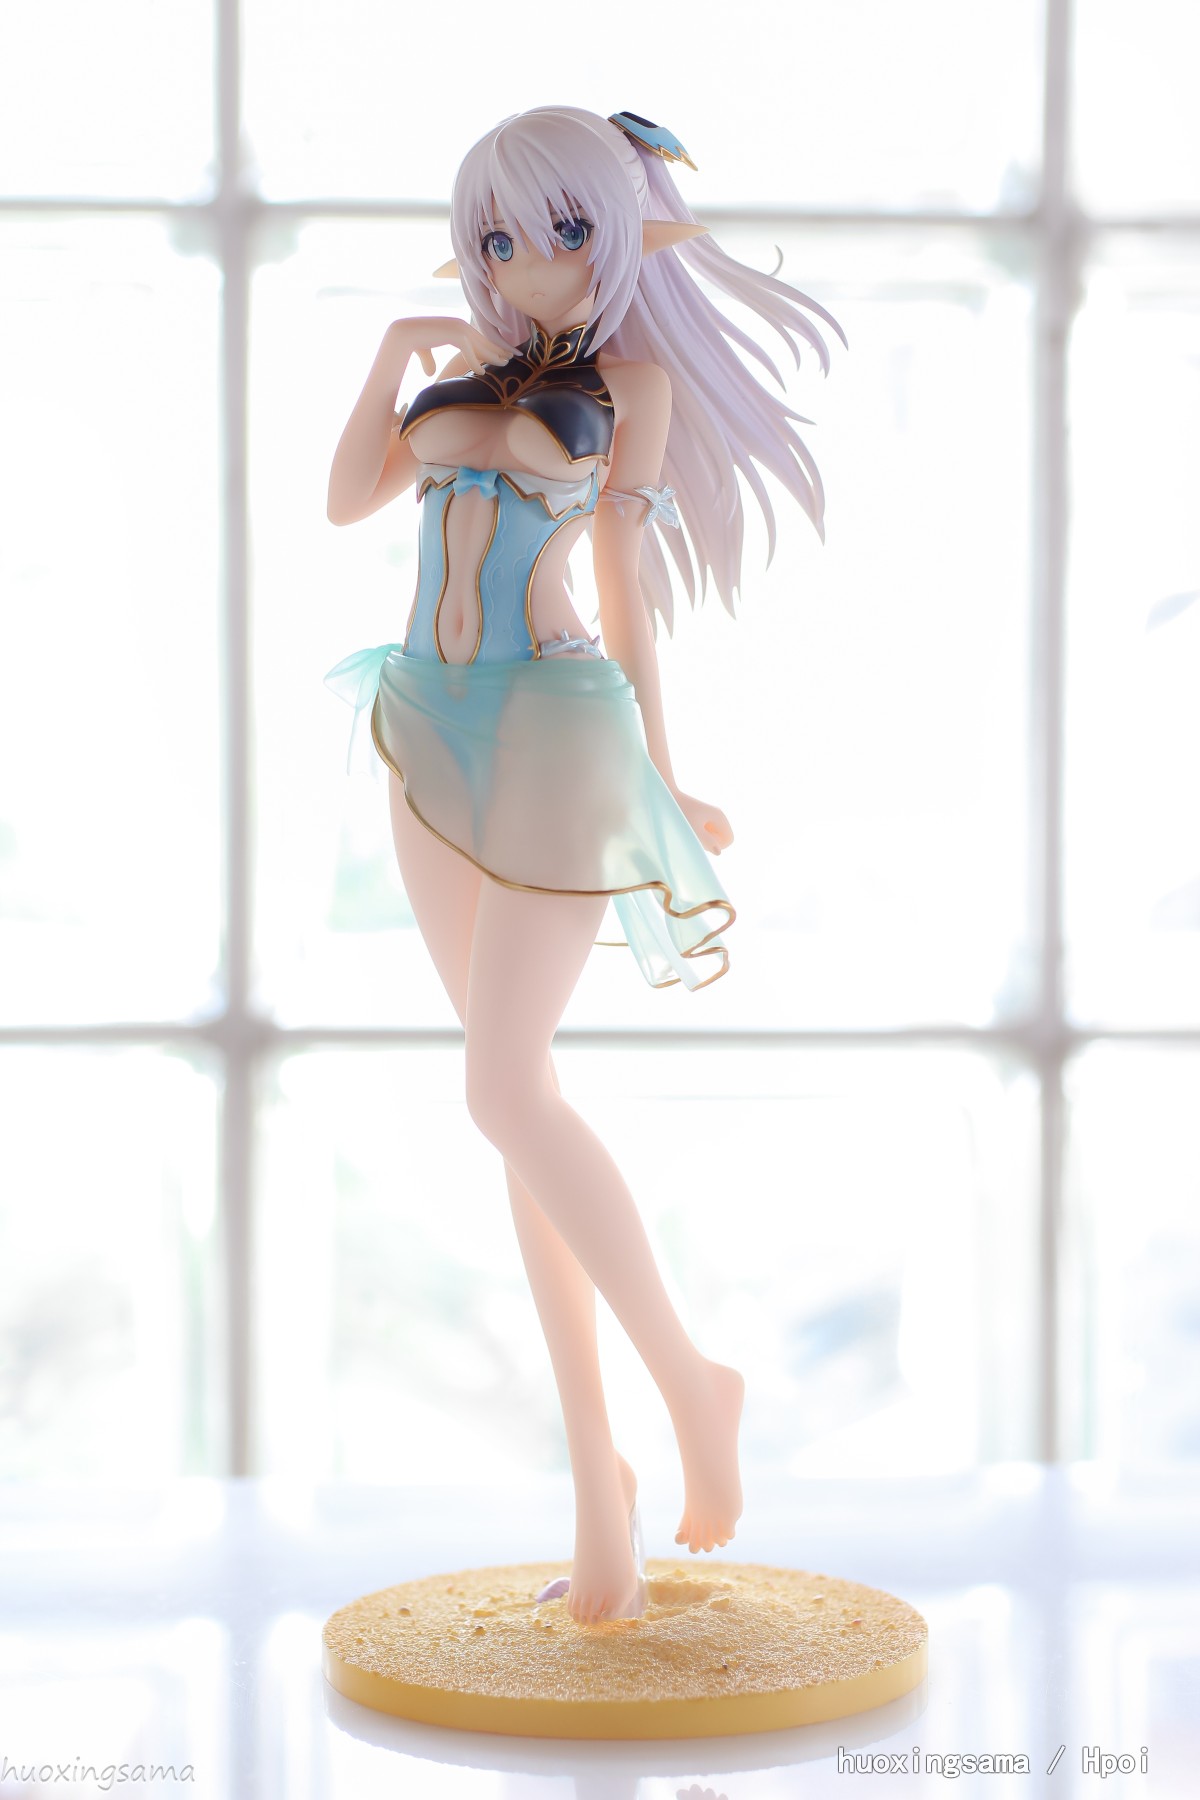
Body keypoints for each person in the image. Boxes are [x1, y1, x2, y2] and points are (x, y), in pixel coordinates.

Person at [326, 105, 844, 1624]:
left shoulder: (634, 386)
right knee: (519, 1112)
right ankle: (599, 1498)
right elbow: (349, 498)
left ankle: (691, 1380)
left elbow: (625, 584)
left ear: (613, 238)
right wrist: (392, 351)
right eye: (495, 237)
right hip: (427, 723)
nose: (526, 262)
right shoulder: (459, 379)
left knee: (504, 1092)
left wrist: (664, 774)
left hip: (556, 726)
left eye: (558, 231)